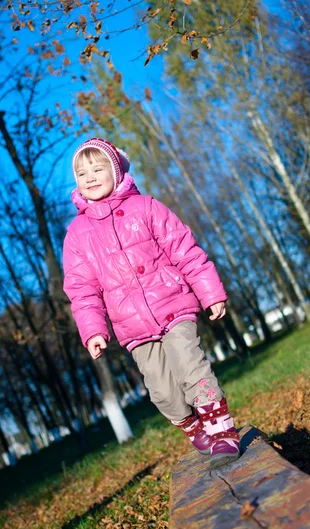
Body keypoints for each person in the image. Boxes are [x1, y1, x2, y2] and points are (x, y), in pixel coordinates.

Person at [63, 137, 240, 468]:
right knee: (163, 392)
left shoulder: (146, 207)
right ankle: (192, 426)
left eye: (98, 169)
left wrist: (210, 293)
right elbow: (81, 288)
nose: (90, 177)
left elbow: (185, 250)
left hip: (173, 304)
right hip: (131, 324)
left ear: (116, 173)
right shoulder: (77, 234)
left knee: (189, 365)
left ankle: (222, 432)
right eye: (82, 173)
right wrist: (93, 330)